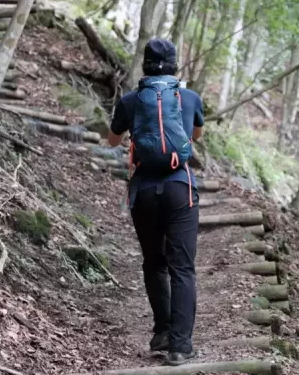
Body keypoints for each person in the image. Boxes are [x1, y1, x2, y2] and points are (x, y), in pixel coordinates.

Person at [107, 38, 204, 366]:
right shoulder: (188, 97)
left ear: (144, 66)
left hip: (144, 191)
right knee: (183, 267)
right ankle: (179, 345)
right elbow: (197, 135)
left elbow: (113, 139)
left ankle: (161, 330)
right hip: (180, 187)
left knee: (154, 261)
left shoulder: (131, 100)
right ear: (175, 65)